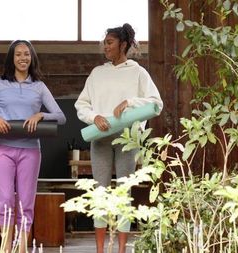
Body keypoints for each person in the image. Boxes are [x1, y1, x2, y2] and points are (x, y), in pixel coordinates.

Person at [0, 40, 66, 253]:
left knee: (26, 202)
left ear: (32, 58)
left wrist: (41, 115)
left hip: (30, 151)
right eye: (18, 54)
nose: (23, 58)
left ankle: (21, 249)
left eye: (27, 54)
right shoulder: (0, 84)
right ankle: (5, 248)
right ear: (12, 58)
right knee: (5, 201)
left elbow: (61, 117)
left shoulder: (39, 87)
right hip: (3, 149)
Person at [74, 23, 163, 253]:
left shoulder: (138, 73)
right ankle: (100, 250)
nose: (105, 46)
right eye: (105, 42)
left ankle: (122, 250)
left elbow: (156, 103)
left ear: (123, 45)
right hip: (100, 139)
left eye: (110, 42)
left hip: (127, 140)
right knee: (99, 193)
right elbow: (81, 104)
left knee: (125, 191)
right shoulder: (97, 73)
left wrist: (130, 102)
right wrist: (94, 117)